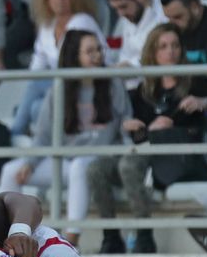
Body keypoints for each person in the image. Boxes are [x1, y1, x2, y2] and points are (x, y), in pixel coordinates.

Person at [96, 22, 207, 253]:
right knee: (96, 169)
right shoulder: (142, 90)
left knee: (129, 165)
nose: (170, 51)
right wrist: (129, 126)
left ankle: (144, 236)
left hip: (178, 154)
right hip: (147, 151)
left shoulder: (196, 82)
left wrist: (205, 102)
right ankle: (110, 237)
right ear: (152, 52)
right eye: (163, 46)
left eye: (175, 45)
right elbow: (124, 126)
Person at [14, 29, 128, 240]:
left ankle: (70, 241)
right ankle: (7, 239)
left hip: (99, 160)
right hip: (65, 161)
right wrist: (30, 163)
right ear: (75, 56)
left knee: (80, 166)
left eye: (99, 49)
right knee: (11, 171)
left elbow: (125, 127)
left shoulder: (113, 84)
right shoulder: (59, 88)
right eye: (90, 51)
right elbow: (43, 135)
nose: (98, 56)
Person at [9, 0, 101, 139]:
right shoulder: (47, 26)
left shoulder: (82, 21)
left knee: (36, 86)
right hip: (60, 87)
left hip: (85, 85)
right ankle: (23, 134)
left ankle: (14, 134)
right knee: (36, 107)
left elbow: (77, 65)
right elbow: (37, 64)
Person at [100, 0, 168, 73]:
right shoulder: (129, 16)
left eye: (123, 7)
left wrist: (130, 66)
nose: (120, 14)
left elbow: (162, 57)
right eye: (116, 9)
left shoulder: (166, 14)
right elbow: (124, 55)